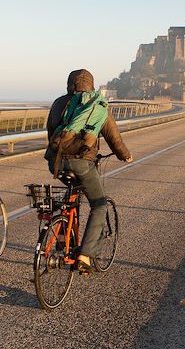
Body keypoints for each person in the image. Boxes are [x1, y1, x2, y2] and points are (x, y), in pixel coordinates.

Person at [45, 69, 132, 274]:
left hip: (56, 162)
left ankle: (62, 239)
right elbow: (114, 138)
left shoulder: (59, 102)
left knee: (69, 199)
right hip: (81, 163)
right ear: (91, 86)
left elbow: (51, 131)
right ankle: (84, 255)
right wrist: (125, 156)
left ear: (70, 84)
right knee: (99, 205)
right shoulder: (96, 104)